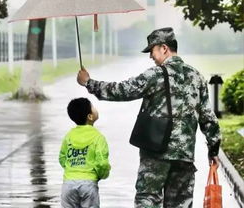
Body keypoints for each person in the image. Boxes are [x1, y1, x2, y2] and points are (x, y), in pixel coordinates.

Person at [77, 27, 221, 208]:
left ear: (164, 48)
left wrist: (89, 83)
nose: (150, 56)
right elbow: (208, 118)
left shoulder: (155, 75)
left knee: (148, 200)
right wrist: (213, 150)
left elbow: (123, 90)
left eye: (151, 50)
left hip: (156, 153)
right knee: (180, 204)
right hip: (184, 156)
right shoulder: (197, 77)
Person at [59, 97, 111, 208]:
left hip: (68, 184)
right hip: (88, 184)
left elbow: (62, 158)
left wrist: (72, 169)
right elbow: (102, 163)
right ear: (90, 116)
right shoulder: (98, 137)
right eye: (93, 107)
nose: (95, 108)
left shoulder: (68, 136)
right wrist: (101, 175)